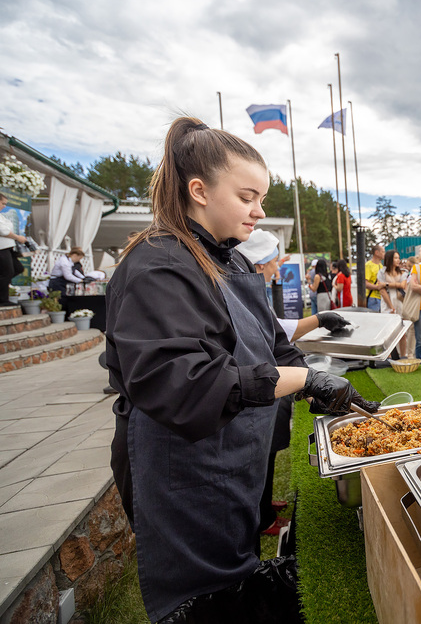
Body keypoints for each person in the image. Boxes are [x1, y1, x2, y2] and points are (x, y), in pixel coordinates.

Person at [105, 117, 378, 623]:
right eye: (248, 196)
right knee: (208, 600)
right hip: (181, 465)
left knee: (241, 573)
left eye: (263, 198)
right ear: (199, 190)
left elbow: (274, 346)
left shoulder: (232, 263)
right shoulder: (157, 264)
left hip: (231, 453)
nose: (260, 211)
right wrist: (305, 380)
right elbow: (182, 383)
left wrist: (316, 390)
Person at [235, 230, 349, 537]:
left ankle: (264, 505)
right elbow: (281, 334)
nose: (277, 267)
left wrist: (321, 320)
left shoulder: (254, 289)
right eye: (274, 261)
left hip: (273, 382)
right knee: (259, 455)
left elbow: (279, 333)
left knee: (266, 454)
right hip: (261, 386)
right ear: (260, 264)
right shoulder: (246, 290)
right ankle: (261, 519)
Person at [378, 249, 410, 355]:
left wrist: (386, 284)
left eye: (398, 257)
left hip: (400, 302)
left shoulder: (403, 272)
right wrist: (391, 306)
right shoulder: (382, 272)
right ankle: (389, 355)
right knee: (388, 332)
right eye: (395, 258)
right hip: (388, 303)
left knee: (402, 332)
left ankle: (403, 355)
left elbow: (402, 285)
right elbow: (381, 290)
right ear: (389, 259)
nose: (398, 260)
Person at [0, 193, 29, 306]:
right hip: (1, 248)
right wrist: (17, 237)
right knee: (7, 273)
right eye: (3, 203)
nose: (4, 206)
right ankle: (2, 300)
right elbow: (3, 231)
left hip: (8, 247)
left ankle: (3, 297)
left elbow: (7, 229)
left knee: (18, 268)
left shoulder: (2, 216)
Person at [364, 244, 385, 311]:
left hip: (381, 297)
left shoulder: (381, 266)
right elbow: (365, 283)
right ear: (376, 252)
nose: (384, 254)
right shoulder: (368, 265)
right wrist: (377, 287)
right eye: (383, 252)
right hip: (372, 297)